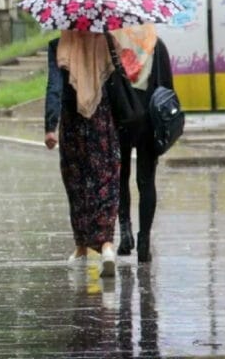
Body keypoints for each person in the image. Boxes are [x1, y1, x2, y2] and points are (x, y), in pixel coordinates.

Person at [44, 30, 120, 278]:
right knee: (105, 181)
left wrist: (50, 126)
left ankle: (81, 247)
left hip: (72, 124)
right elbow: (119, 82)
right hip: (102, 122)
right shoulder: (107, 42)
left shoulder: (59, 45)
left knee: (76, 184)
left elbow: (54, 87)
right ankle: (107, 246)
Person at [112, 25, 174, 263]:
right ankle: (144, 240)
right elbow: (167, 89)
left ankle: (125, 232)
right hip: (149, 120)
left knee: (121, 178)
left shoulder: (113, 45)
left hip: (120, 119)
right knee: (146, 180)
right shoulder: (157, 45)